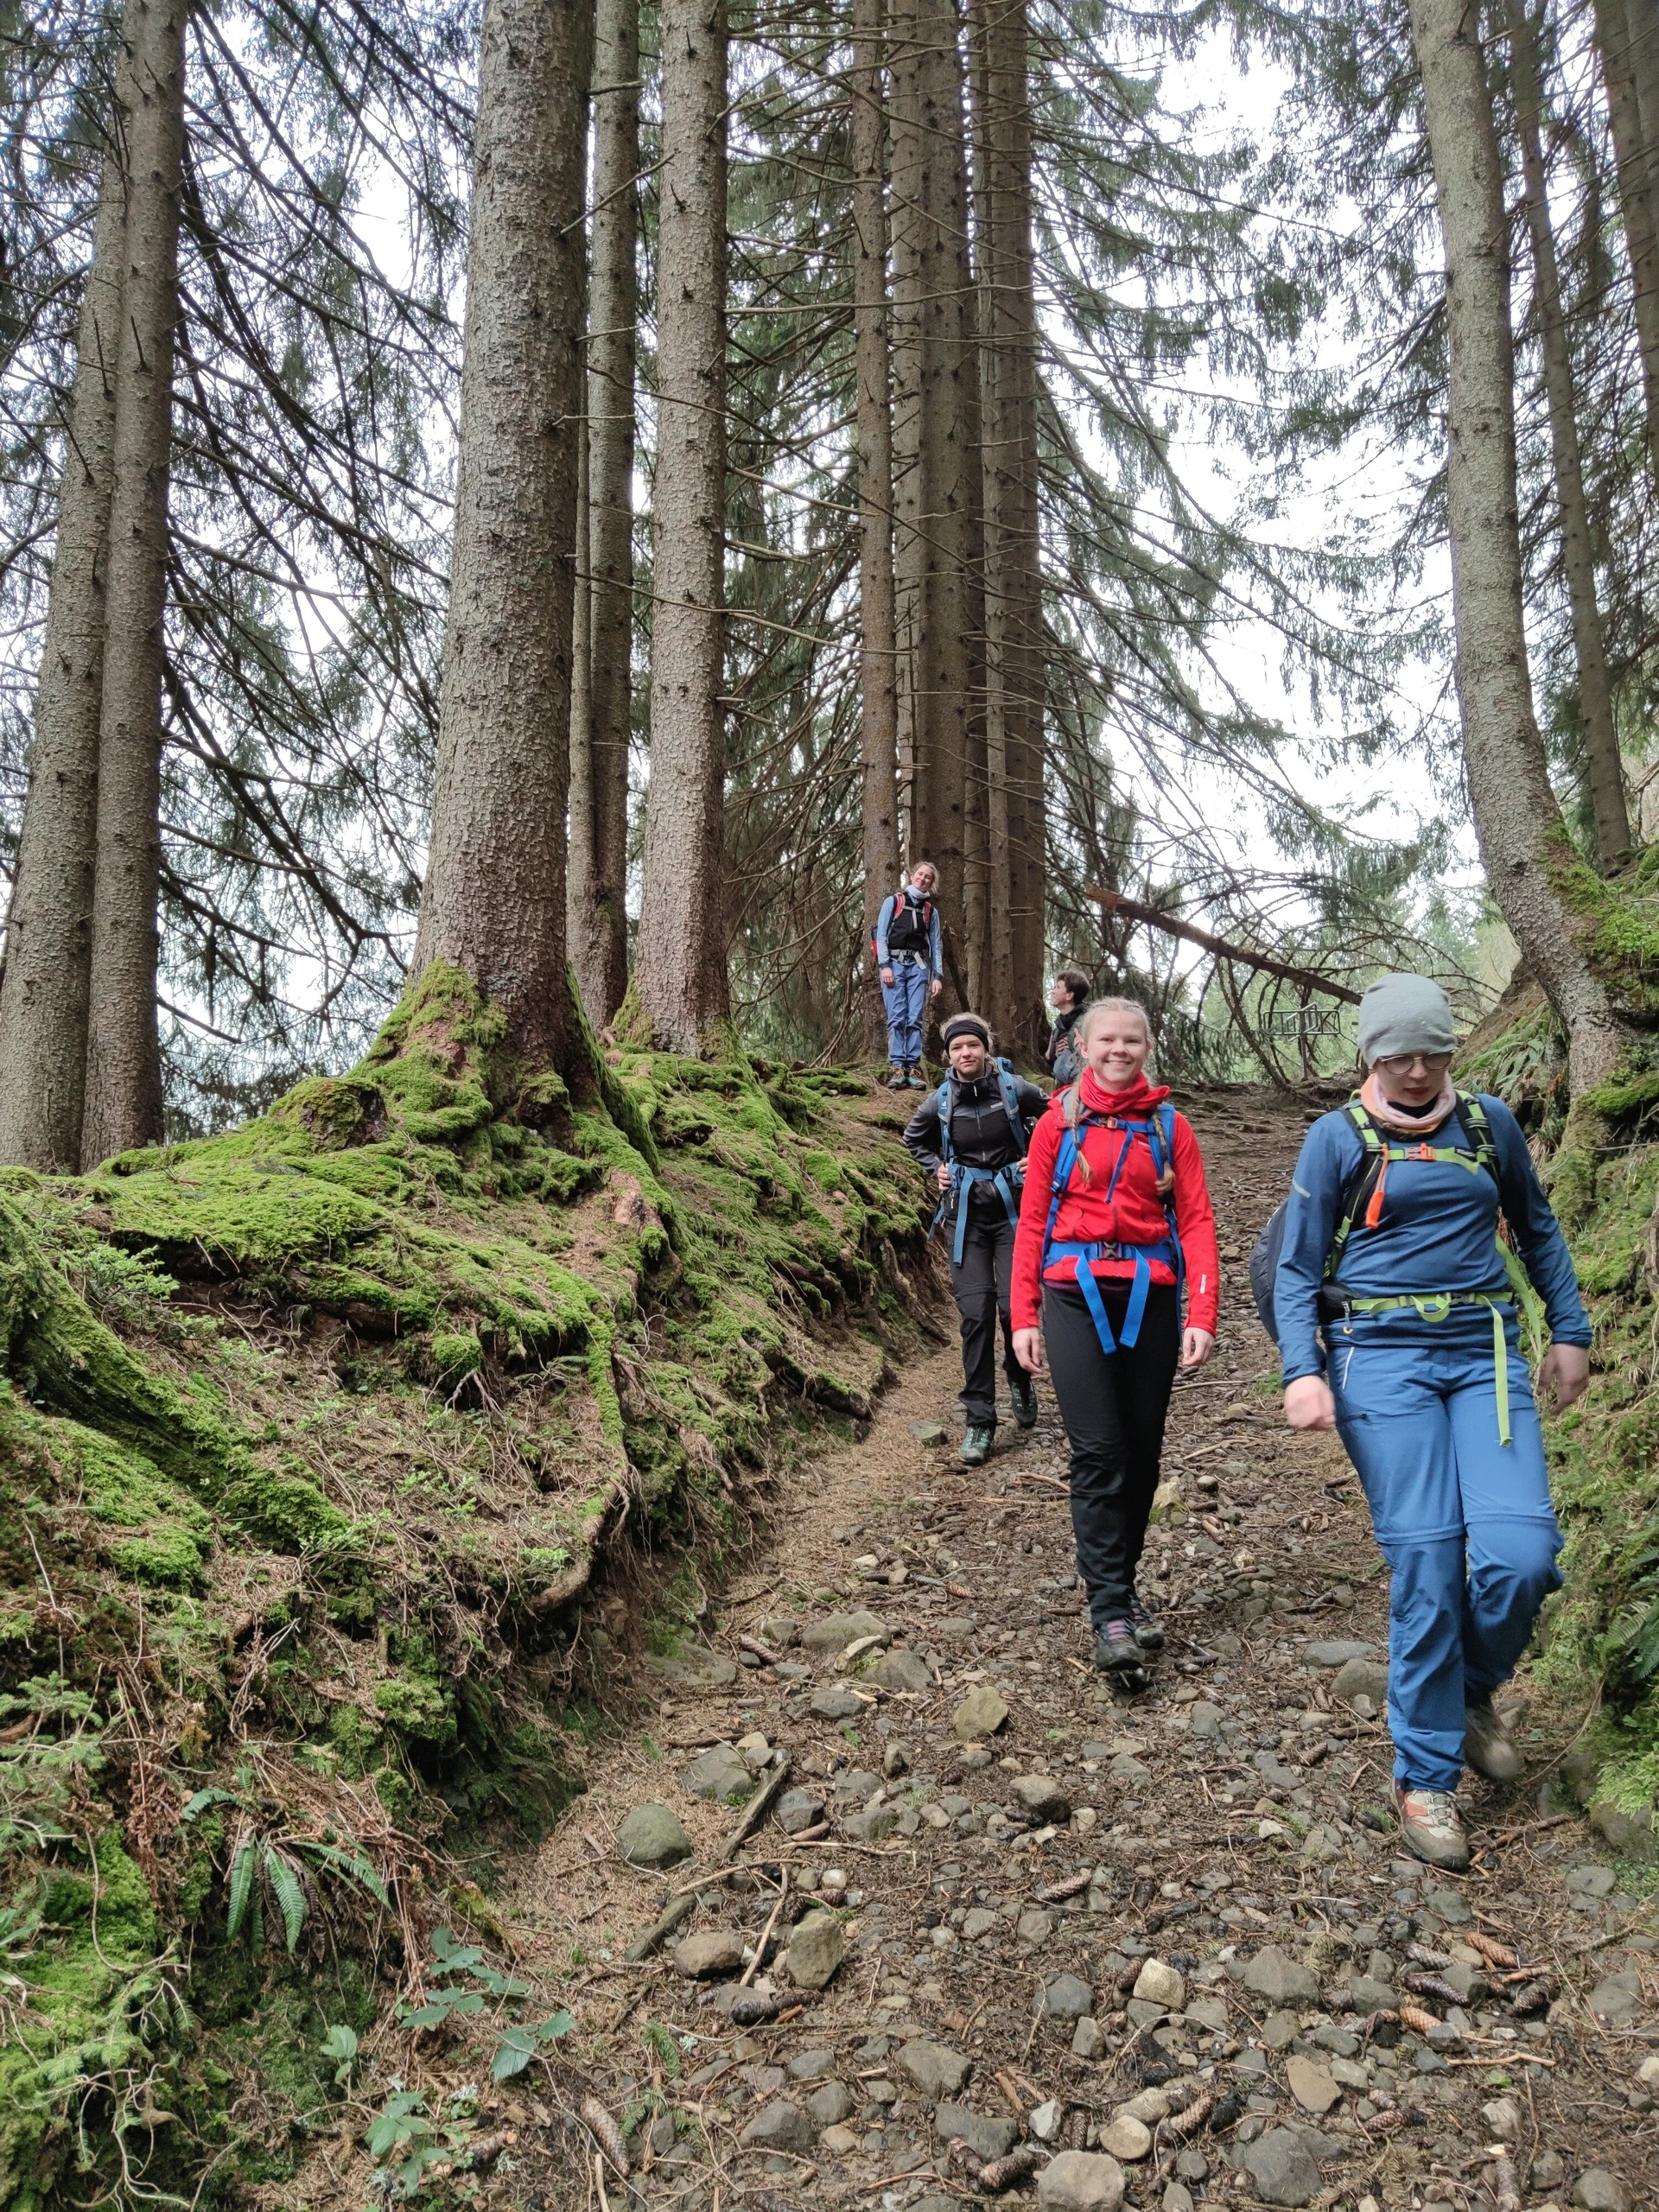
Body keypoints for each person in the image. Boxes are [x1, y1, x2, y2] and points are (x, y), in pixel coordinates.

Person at [1274, 973, 1592, 1872]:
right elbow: (1298, 1270)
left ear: (1453, 1050)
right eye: (1396, 1054)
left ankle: (1470, 1692)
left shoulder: (1489, 1123)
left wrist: (1569, 1329)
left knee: (1522, 1553)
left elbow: (1536, 1226)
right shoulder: (1335, 1140)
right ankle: (1425, 1776)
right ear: (1371, 1057)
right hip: (1381, 1361)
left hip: (1485, 1356)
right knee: (1427, 1557)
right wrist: (1304, 1370)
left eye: (1431, 1052)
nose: (1416, 1069)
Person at [1011, 998, 1219, 1669]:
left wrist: (1202, 1314)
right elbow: (1033, 1222)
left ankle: (1121, 1591)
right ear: (1083, 1044)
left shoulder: (1169, 1127)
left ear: (1147, 1047)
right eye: (1108, 1039)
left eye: (1132, 1040)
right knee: (1099, 1453)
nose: (1119, 1050)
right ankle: (1109, 1615)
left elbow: (1196, 1222)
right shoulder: (1055, 1124)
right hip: (1073, 1297)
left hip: (1151, 1298)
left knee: (1143, 1454)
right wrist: (1022, 1317)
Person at [905, 1013, 1048, 1465]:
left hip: (1013, 1216)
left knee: (1013, 1307)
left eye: (973, 1045)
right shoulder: (939, 1101)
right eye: (956, 1048)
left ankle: (1019, 1377)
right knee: (975, 1315)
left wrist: (1038, 1159)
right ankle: (980, 1421)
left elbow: (1056, 1119)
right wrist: (937, 1168)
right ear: (947, 1055)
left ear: (986, 1048)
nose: (966, 1054)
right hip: (964, 1220)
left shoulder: (1014, 1089)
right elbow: (913, 1139)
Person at [874, 861, 944, 1089]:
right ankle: (897, 1067)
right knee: (896, 1016)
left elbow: (935, 944)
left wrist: (937, 976)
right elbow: (881, 935)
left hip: (918, 967)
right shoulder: (893, 902)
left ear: (931, 884)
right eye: (920, 874)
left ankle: (912, 1067)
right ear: (912, 875)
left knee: (914, 1018)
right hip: (893, 964)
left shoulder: (930, 912)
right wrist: (884, 965)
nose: (922, 879)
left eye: (928, 878)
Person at [1046, 970, 1091, 1086]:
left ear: (1069, 995)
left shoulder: (1089, 1022)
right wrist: (1054, 1053)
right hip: (1063, 1093)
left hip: (1085, 1087)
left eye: (1058, 987)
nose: (1053, 991)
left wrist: (1076, 1048)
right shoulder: (1057, 1029)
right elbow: (1049, 1059)